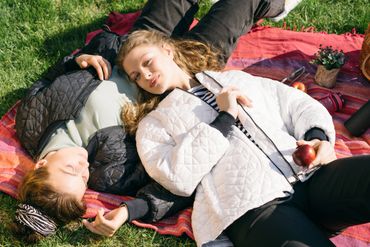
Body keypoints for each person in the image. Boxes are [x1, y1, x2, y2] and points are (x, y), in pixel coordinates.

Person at [12, 0, 298, 244]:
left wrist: (76, 62)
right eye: (84, 179)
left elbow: (47, 80)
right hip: (181, 76)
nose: (84, 167)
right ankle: (276, 4)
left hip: (132, 50)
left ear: (41, 164)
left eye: (70, 169)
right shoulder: (110, 173)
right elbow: (175, 183)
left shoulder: (30, 124)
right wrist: (129, 211)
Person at [117, 19, 370, 247]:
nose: (146, 75)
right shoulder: (153, 125)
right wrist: (225, 117)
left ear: (168, 50)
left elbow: (295, 103)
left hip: (310, 176)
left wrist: (319, 138)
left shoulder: (235, 79)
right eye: (136, 75)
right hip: (252, 208)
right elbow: (177, 178)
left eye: (147, 62)